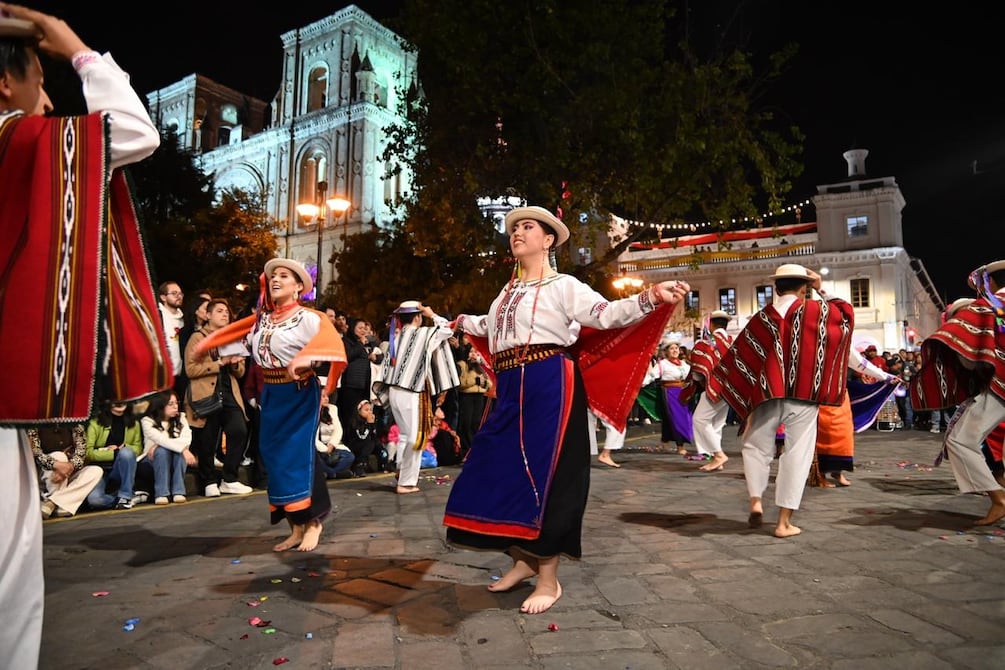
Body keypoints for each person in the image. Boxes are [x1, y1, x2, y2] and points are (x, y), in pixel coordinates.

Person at [0, 5, 165, 666]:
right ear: (5, 85)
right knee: (10, 578)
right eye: (42, 83)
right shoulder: (19, 142)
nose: (50, 103)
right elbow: (131, 131)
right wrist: (79, 49)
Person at [443, 205, 688, 614]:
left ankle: (548, 578)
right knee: (498, 467)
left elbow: (606, 315)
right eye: (514, 228)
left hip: (550, 381)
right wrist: (457, 322)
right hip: (510, 387)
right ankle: (521, 560)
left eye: (527, 227)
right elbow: (490, 325)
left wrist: (650, 296)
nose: (517, 233)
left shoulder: (564, 286)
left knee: (548, 475)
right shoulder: (506, 292)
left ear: (548, 239)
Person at [196, 258, 347, 552]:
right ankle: (296, 526)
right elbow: (244, 342)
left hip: (300, 392)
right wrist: (217, 349)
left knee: (298, 452)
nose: (275, 280)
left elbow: (330, 345)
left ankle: (314, 521)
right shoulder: (263, 319)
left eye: (283, 276)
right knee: (274, 456)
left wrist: (305, 359)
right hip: (273, 393)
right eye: (273, 276)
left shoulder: (308, 317)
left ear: (298, 287)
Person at [707, 263, 854, 538]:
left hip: (766, 393)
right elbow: (845, 316)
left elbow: (742, 356)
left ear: (775, 288)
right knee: (797, 454)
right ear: (804, 288)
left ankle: (756, 500)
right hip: (804, 395)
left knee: (754, 446)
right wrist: (821, 289)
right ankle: (783, 522)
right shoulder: (818, 311)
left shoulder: (761, 317)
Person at [911, 260, 1005, 526]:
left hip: (1000, 386)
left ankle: (999, 499)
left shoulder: (986, 308)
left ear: (992, 283)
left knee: (960, 440)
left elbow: (967, 356)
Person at [374, 300, 459, 494]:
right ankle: (406, 481)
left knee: (405, 434)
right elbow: (448, 329)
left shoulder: (396, 336)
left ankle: (400, 470)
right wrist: (432, 314)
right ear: (417, 317)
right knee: (415, 437)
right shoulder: (424, 333)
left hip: (395, 389)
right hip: (411, 390)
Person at [184, 298, 252, 497]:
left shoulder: (231, 337)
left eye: (227, 312)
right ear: (208, 315)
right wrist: (220, 363)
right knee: (208, 438)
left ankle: (229, 478)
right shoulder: (198, 338)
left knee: (239, 430)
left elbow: (239, 373)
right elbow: (190, 369)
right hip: (207, 392)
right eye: (220, 311)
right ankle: (209, 481)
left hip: (229, 392)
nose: (225, 314)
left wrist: (235, 362)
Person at [681, 310, 733, 471]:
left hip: (714, 388)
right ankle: (717, 460)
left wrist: (694, 381)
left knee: (700, 420)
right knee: (716, 424)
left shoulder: (708, 342)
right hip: (730, 389)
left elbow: (697, 371)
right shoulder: (733, 342)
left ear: (711, 325)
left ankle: (718, 455)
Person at [29, 423, 104, 518]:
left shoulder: (75, 424)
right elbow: (35, 453)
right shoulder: (34, 424)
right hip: (44, 472)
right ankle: (61, 504)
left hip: (69, 471)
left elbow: (81, 452)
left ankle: (52, 503)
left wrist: (70, 466)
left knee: (96, 471)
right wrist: (56, 464)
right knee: (59, 456)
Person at [84, 400, 147, 509]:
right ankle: (126, 498)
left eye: (122, 398)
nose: (119, 402)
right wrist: (113, 453)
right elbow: (88, 453)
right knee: (95, 500)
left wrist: (121, 450)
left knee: (126, 453)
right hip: (99, 471)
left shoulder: (134, 423)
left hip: (120, 468)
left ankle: (125, 496)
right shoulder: (95, 423)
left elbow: (138, 449)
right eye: (115, 399)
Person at [140, 391, 196, 504]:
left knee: (176, 451)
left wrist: (159, 444)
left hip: (174, 460)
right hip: (150, 462)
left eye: (176, 403)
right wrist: (183, 449)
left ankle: (178, 492)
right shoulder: (147, 421)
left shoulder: (181, 418)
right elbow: (162, 439)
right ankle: (161, 494)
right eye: (171, 404)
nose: (175, 406)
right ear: (160, 406)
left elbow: (187, 439)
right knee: (162, 451)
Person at [646, 341, 694, 455]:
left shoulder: (684, 364)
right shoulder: (662, 364)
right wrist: (639, 384)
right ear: (666, 352)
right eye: (671, 348)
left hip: (683, 393)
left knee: (672, 418)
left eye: (676, 348)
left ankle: (665, 441)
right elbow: (651, 376)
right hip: (670, 393)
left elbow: (692, 375)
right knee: (676, 418)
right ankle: (680, 446)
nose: (675, 350)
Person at [158, 281, 187, 398]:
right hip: (162, 376)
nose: (178, 296)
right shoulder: (158, 315)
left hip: (180, 376)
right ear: (163, 297)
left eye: (180, 293)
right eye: (174, 293)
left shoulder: (184, 318)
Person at [316, 394, 354, 479]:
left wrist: (331, 445)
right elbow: (313, 438)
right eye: (323, 397)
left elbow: (338, 430)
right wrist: (325, 450)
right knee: (316, 459)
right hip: (319, 448)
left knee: (349, 456)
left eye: (327, 396)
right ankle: (335, 474)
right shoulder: (312, 412)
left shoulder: (332, 409)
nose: (326, 399)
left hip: (332, 446)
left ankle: (329, 473)